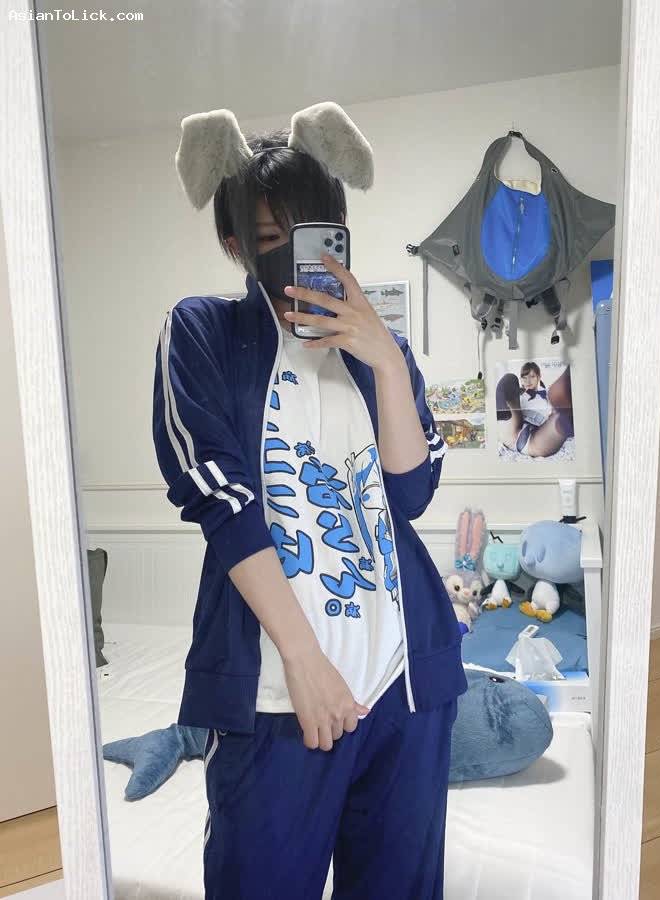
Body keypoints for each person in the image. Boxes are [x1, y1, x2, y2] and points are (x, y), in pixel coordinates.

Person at [153, 102, 467, 900]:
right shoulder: (203, 332)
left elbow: (412, 493)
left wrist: (386, 361)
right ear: (235, 246)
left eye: (316, 233)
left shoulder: (379, 351)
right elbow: (217, 496)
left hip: (405, 681)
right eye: (269, 237)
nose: (297, 255)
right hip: (275, 688)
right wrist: (303, 659)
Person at [496, 360, 574, 457]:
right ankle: (500, 408)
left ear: (538, 377)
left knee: (561, 412)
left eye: (532, 377)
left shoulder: (546, 394)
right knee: (510, 378)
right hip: (513, 433)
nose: (528, 381)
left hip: (537, 439)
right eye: (524, 377)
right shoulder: (519, 393)